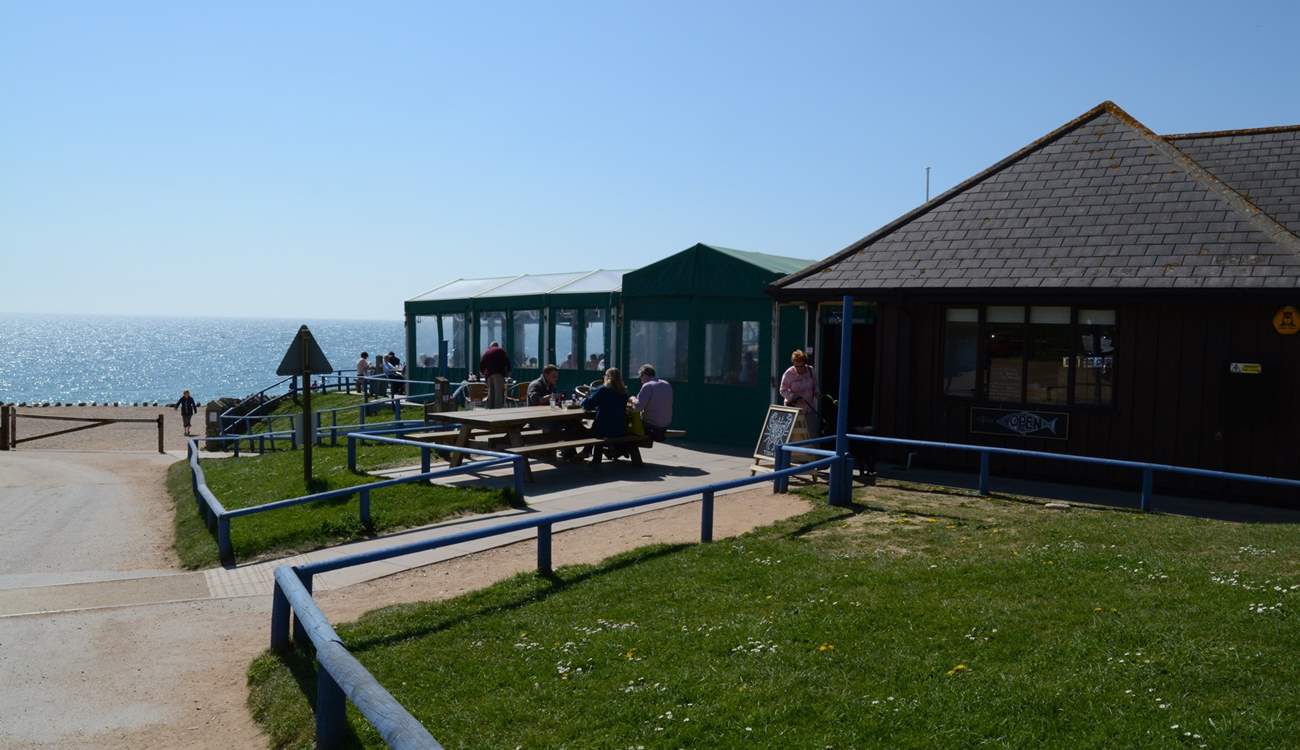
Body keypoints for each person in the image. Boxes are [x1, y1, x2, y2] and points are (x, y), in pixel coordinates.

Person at [581, 367, 628, 466]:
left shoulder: (603, 389)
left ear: (607, 377)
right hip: (621, 428)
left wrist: (585, 398)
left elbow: (588, 405)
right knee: (596, 426)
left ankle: (592, 457)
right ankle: (587, 451)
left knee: (592, 430)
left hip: (604, 429)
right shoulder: (623, 392)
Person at [779, 349, 818, 433]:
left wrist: (817, 393)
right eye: (796, 366)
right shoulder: (788, 374)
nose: (799, 369)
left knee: (810, 434)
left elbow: (815, 385)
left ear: (805, 364)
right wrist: (794, 397)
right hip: (794, 411)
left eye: (801, 366)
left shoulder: (811, 371)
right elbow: (783, 390)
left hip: (809, 409)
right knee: (795, 435)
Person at [631, 364, 672, 441]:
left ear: (644, 375)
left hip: (652, 426)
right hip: (666, 425)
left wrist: (633, 399)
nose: (641, 380)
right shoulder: (667, 384)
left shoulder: (647, 386)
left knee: (629, 425)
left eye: (640, 377)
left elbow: (637, 408)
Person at [480, 340, 512, 408]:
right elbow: (507, 362)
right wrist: (508, 372)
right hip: (498, 375)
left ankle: (489, 410)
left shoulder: (487, 352)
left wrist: (483, 373)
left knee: (490, 394)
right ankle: (497, 411)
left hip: (489, 376)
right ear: (497, 345)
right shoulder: (501, 351)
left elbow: (482, 364)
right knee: (498, 394)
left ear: (491, 346)